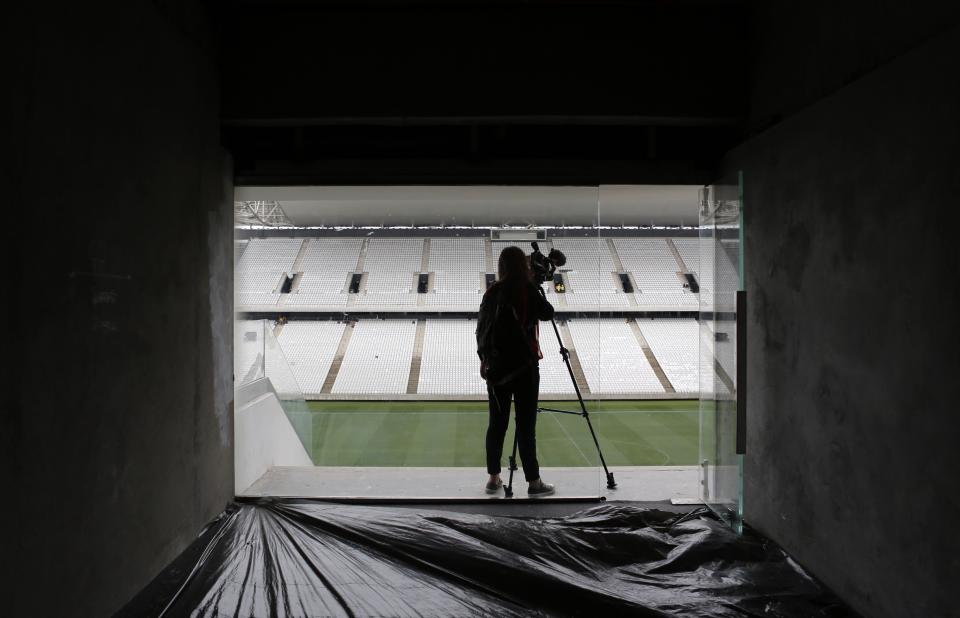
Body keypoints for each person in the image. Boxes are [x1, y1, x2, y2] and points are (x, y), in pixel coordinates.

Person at [476, 246, 556, 496]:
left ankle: (493, 479)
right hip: (525, 368)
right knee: (525, 426)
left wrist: (484, 361)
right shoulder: (527, 290)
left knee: (496, 425)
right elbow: (548, 313)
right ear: (524, 266)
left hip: (497, 371)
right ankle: (533, 482)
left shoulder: (492, 292)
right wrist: (534, 284)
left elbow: (482, 329)